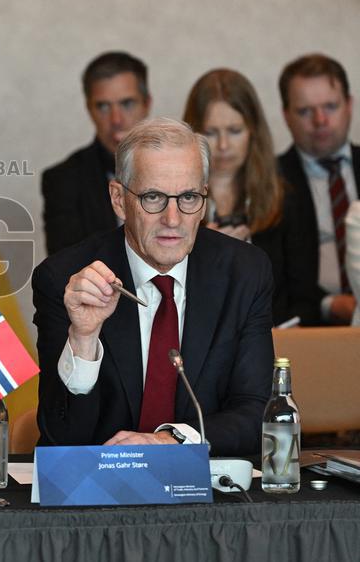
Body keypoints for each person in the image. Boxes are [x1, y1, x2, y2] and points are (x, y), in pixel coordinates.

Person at [33, 118, 273, 457]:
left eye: (188, 197)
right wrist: (84, 338)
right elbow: (63, 439)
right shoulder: (67, 279)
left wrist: (171, 440)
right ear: (118, 199)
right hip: (101, 496)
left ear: (204, 201)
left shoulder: (244, 273)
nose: (172, 219)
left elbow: (259, 414)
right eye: (153, 197)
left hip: (208, 500)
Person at [181, 69, 292, 323]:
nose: (222, 146)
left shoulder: (283, 195)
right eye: (210, 132)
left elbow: (299, 296)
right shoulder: (174, 199)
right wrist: (205, 251)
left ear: (253, 131)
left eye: (234, 130)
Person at [42, 51, 152, 254]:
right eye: (103, 106)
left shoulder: (180, 167)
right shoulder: (63, 180)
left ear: (147, 104)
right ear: (89, 109)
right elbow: (62, 268)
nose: (116, 119)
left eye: (127, 104)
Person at [277, 54, 357, 325]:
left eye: (330, 106)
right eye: (305, 111)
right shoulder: (269, 182)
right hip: (309, 328)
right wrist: (329, 304)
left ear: (350, 105)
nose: (320, 120)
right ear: (286, 116)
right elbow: (273, 280)